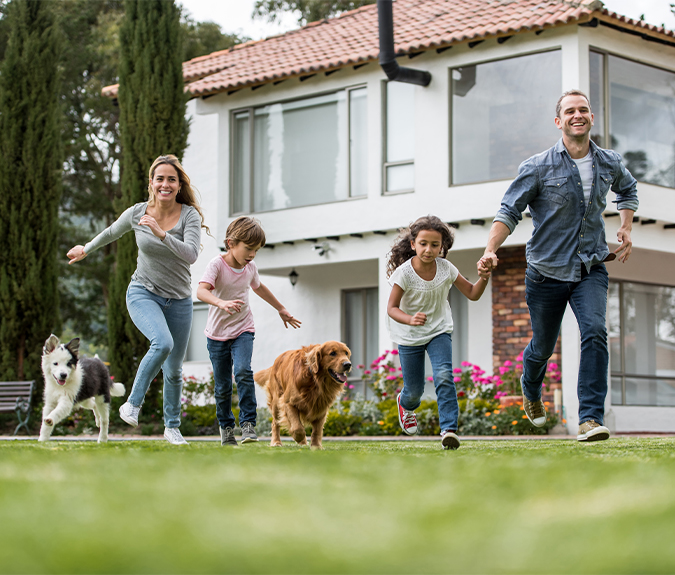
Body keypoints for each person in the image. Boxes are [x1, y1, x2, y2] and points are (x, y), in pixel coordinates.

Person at [478, 90, 639, 442]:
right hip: (546, 272)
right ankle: (531, 390)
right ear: (559, 121)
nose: (577, 115)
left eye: (583, 110)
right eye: (570, 111)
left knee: (596, 331)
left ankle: (590, 419)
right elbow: (508, 211)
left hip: (590, 267)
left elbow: (627, 190)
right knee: (542, 347)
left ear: (592, 118)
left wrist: (625, 225)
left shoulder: (608, 161)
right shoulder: (537, 166)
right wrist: (491, 248)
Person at [67, 154, 209, 445]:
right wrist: (87, 249)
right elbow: (110, 233)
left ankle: (172, 427)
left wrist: (161, 234)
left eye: (172, 179)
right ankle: (132, 403)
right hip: (143, 292)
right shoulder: (137, 213)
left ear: (179, 184)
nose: (165, 184)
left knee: (173, 369)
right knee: (163, 343)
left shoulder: (188, 215)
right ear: (151, 183)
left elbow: (192, 254)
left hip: (179, 300)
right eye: (160, 179)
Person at [386, 215, 490, 450]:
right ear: (413, 244)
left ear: (442, 247)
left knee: (444, 375)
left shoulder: (446, 268)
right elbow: (392, 308)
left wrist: (484, 277)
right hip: (409, 335)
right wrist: (410, 319)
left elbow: (473, 293)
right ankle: (405, 405)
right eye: (423, 243)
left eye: (435, 245)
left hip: (439, 331)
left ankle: (449, 430)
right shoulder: (404, 273)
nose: (429, 249)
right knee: (414, 391)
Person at [196, 216, 301, 447]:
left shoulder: (250, 267)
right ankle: (226, 428)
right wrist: (220, 303)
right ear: (231, 243)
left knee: (243, 371)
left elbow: (259, 287)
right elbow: (201, 292)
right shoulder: (216, 264)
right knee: (223, 386)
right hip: (216, 334)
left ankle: (248, 425)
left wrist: (281, 309)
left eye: (256, 250)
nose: (252, 255)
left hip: (243, 328)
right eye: (249, 249)